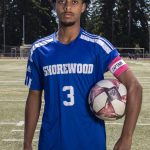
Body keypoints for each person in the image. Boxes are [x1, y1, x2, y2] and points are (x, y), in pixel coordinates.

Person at [24, 0, 142, 150]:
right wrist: (27, 143)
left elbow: (135, 87)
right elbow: (34, 96)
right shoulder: (39, 50)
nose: (67, 7)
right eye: (62, 1)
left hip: (91, 144)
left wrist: (126, 137)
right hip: (51, 143)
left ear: (83, 7)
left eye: (74, 2)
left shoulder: (98, 47)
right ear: (54, 5)